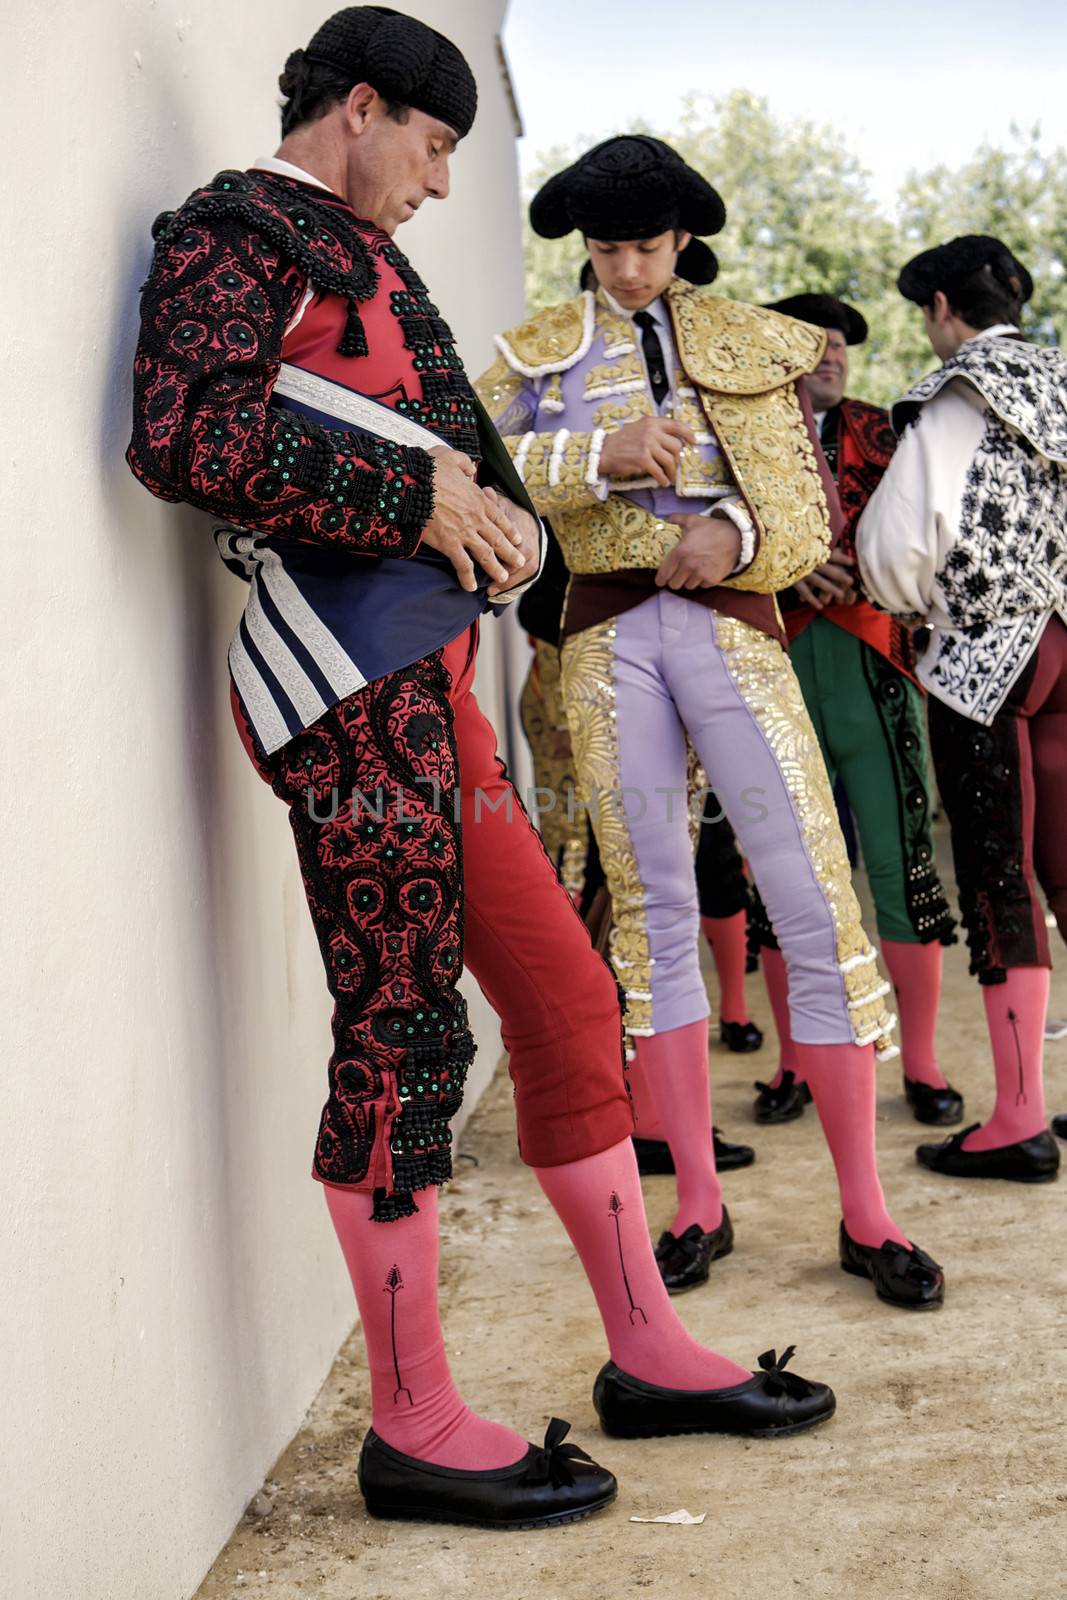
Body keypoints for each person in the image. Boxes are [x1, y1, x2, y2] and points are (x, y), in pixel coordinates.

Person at [126, 5, 836, 1532]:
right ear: (362, 106)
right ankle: (412, 1422)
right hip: (345, 686)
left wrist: (501, 517)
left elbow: (472, 468)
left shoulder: (370, 261)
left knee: (572, 999)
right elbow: (182, 431)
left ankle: (645, 1349)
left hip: (433, 686)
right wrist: (413, 488)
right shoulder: (232, 229)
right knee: (399, 1027)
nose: (442, 183)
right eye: (435, 145)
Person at [477, 134, 944, 1307]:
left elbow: (802, 507)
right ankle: (694, 1199)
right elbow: (473, 466)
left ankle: (865, 1213)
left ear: (682, 240)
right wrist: (597, 452)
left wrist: (729, 533)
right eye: (603, 248)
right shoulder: (538, 351)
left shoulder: (742, 336)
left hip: (731, 627)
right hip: (604, 636)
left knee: (809, 890)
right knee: (652, 907)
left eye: (641, 246)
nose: (622, 269)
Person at [858, 234, 1066, 1185]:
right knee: (1063, 863)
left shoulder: (954, 397)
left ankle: (1019, 1117)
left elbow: (898, 546)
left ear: (943, 306)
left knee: (997, 873)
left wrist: (910, 607)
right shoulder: (1061, 379)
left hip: (989, 659)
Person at [748, 293, 959, 1129]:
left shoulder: (891, 429)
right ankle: (791, 1060)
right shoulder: (744, 433)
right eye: (815, 346)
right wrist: (787, 568)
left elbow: (931, 537)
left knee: (900, 865)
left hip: (874, 663)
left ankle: (923, 1061)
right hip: (769, 665)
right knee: (782, 874)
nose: (831, 357)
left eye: (840, 346)